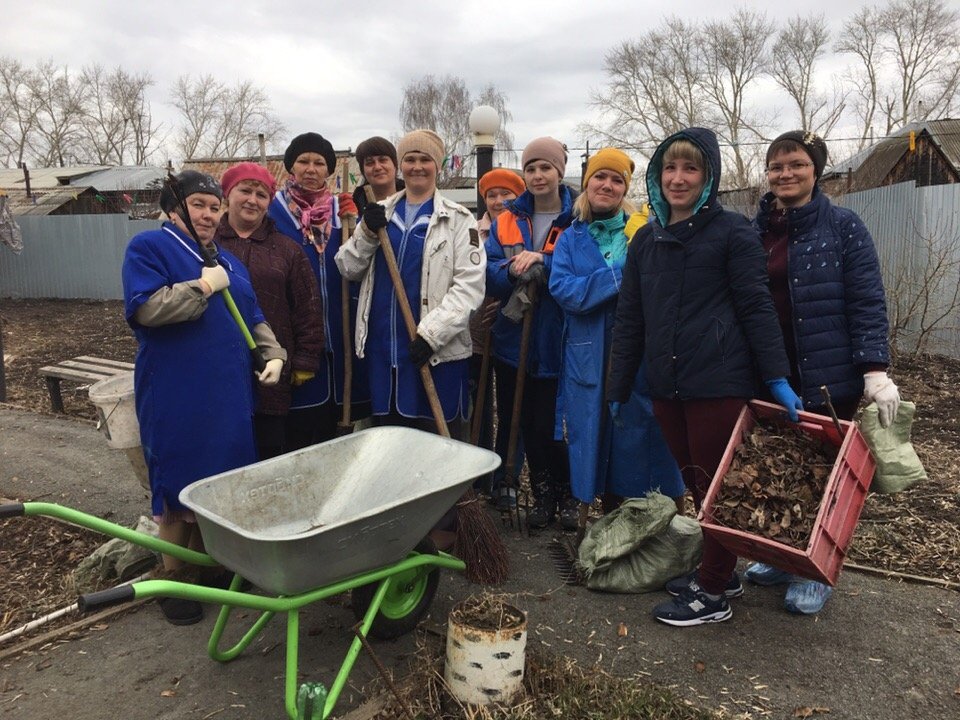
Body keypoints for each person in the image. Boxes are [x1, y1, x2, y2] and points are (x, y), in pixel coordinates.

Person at [606, 128, 802, 627]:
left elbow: (757, 306)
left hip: (718, 380)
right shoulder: (647, 239)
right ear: (656, 175)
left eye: (689, 169)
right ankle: (724, 570)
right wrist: (619, 383)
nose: (678, 178)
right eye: (669, 168)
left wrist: (775, 376)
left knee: (719, 486)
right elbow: (631, 317)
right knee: (696, 482)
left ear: (708, 176)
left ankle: (712, 592)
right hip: (666, 384)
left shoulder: (733, 233)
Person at [744, 130, 900, 614]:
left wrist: (875, 368)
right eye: (776, 166)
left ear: (816, 170)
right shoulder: (756, 232)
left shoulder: (843, 227)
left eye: (796, 164)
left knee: (824, 474)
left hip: (828, 372)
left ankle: (817, 570)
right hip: (769, 369)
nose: (785, 174)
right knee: (776, 467)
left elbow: (867, 299)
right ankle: (781, 552)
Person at [122, 170, 286, 625]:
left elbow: (252, 314)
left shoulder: (228, 261)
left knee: (219, 479)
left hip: (228, 392)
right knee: (178, 479)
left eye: (215, 207)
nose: (210, 214)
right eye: (200, 205)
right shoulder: (149, 248)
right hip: (176, 389)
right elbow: (146, 308)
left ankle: (205, 567)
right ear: (174, 208)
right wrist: (203, 287)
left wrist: (273, 353)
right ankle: (171, 577)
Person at [550, 148, 684, 514]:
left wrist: (638, 253)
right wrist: (621, 272)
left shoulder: (641, 231)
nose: (607, 185)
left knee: (641, 440)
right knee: (592, 439)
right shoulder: (568, 239)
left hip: (638, 354)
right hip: (588, 357)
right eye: (600, 177)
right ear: (587, 183)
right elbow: (564, 290)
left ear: (625, 190)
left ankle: (654, 524)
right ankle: (606, 524)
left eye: (616, 180)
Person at [335, 129, 484, 438]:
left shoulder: (458, 220)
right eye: (410, 159)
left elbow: (469, 287)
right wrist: (365, 232)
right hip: (384, 351)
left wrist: (432, 336)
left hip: (434, 352)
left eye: (425, 159)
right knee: (390, 441)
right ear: (401, 165)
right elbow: (348, 267)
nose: (417, 166)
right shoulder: (382, 213)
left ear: (438, 165)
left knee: (436, 443)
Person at [485, 137, 576, 529]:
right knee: (524, 421)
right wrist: (512, 271)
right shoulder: (507, 219)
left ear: (559, 172)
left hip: (560, 338)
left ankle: (569, 495)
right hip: (513, 338)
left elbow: (583, 269)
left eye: (546, 168)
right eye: (531, 168)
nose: (538, 175)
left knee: (556, 425)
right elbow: (488, 271)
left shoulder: (578, 218)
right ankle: (542, 497)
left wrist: (547, 262)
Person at [216, 162, 323, 459]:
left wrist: (305, 360)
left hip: (272, 372)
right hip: (218, 367)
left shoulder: (287, 250)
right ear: (228, 194)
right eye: (245, 191)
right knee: (223, 453)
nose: (252, 199)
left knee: (269, 453)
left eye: (261, 194)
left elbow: (308, 308)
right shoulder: (206, 245)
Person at [267, 132, 367, 448]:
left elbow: (362, 259)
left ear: (329, 171)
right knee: (299, 432)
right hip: (297, 336)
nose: (311, 169)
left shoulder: (345, 212)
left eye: (319, 162)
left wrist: (360, 221)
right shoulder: (273, 213)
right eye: (303, 161)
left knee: (342, 432)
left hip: (344, 332)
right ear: (290, 168)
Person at [472, 168, 526, 506]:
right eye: (492, 195)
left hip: (509, 330)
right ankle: (478, 474)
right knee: (477, 406)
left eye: (506, 194)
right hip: (474, 334)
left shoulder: (521, 232)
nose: (498, 201)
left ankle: (508, 476)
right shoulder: (470, 231)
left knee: (511, 407)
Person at [352, 135, 405, 214]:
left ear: (395, 164)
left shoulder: (413, 200)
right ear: (363, 171)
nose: (377, 167)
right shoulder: (352, 209)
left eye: (383, 160)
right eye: (370, 163)